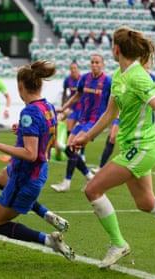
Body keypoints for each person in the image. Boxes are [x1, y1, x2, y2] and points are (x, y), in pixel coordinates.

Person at [70, 26, 155, 268]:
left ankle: (118, 243)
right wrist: (86, 136)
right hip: (132, 147)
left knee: (92, 189)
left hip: (144, 147)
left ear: (117, 49)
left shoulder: (139, 76)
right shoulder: (118, 76)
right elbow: (110, 113)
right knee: (145, 202)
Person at [0, 60, 75, 260]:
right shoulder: (49, 107)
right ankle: (45, 213)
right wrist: (22, 130)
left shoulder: (29, 111)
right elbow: (50, 142)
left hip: (26, 176)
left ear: (21, 86)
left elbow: (30, 153)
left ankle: (48, 240)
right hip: (37, 170)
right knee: (0, 180)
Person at [50, 54, 112, 192]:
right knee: (68, 149)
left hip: (95, 122)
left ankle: (66, 182)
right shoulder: (85, 78)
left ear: (103, 64)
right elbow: (77, 95)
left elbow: (113, 101)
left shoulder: (108, 81)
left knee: (73, 147)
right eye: (92, 62)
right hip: (83, 119)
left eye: (97, 62)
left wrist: (113, 118)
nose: (94, 65)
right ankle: (89, 176)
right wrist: (64, 108)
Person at [55, 61, 82, 160]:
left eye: (75, 68)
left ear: (78, 69)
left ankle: (81, 153)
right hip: (72, 107)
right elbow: (64, 93)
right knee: (69, 129)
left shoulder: (82, 79)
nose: (73, 70)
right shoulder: (67, 80)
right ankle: (70, 149)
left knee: (81, 130)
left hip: (82, 107)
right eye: (71, 68)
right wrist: (63, 106)